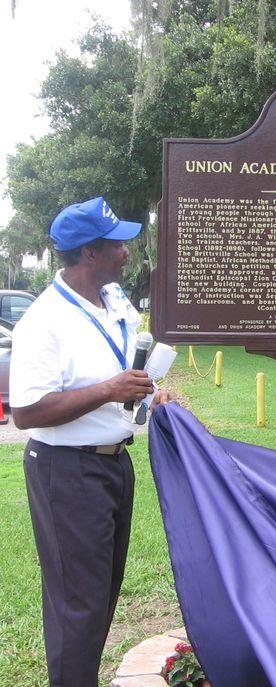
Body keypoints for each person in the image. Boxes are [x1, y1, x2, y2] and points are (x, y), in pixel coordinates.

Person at [10, 197, 168, 687]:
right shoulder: (44, 321)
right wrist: (109, 390)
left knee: (102, 594)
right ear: (89, 255)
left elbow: (128, 365)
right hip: (66, 471)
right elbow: (26, 411)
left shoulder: (113, 301)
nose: (127, 251)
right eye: (117, 245)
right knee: (78, 602)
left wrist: (146, 392)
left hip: (115, 464)